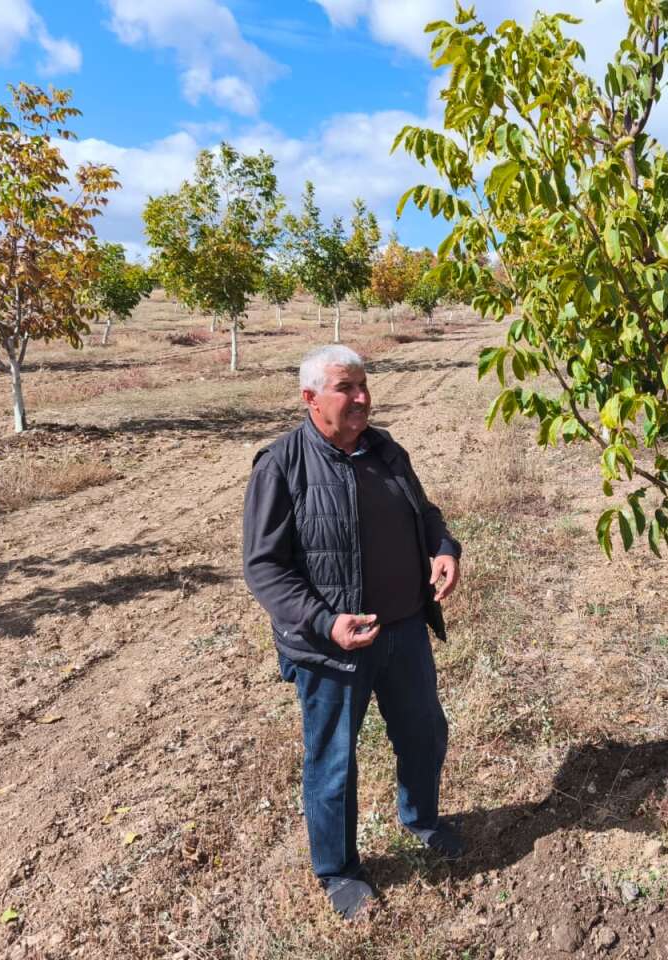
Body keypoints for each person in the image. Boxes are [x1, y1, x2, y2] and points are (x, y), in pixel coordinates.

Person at [242, 344, 463, 920]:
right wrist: (323, 621)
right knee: (333, 759)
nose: (362, 398)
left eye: (364, 385)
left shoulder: (387, 450)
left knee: (424, 733)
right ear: (310, 399)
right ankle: (338, 870)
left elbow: (425, 511)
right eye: (347, 388)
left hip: (404, 628)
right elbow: (264, 566)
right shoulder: (282, 465)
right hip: (331, 645)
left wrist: (443, 548)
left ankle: (421, 820)